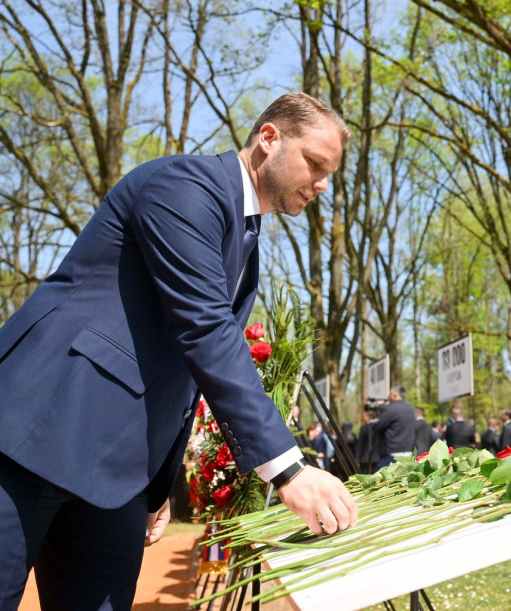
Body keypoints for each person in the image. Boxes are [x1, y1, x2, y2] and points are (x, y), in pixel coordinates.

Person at [0, 93, 358, 609]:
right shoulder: (184, 186)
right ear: (269, 138)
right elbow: (205, 332)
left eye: (330, 173)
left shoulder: (246, 244)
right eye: (316, 164)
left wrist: (156, 485)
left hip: (116, 477)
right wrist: (289, 470)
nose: (322, 184)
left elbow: (185, 377)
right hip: (34, 430)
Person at [372, 385, 416, 469]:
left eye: (389, 395)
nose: (388, 397)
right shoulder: (410, 409)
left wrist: (376, 417)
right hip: (408, 453)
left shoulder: (390, 409)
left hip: (391, 456)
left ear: (395, 395)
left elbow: (377, 426)